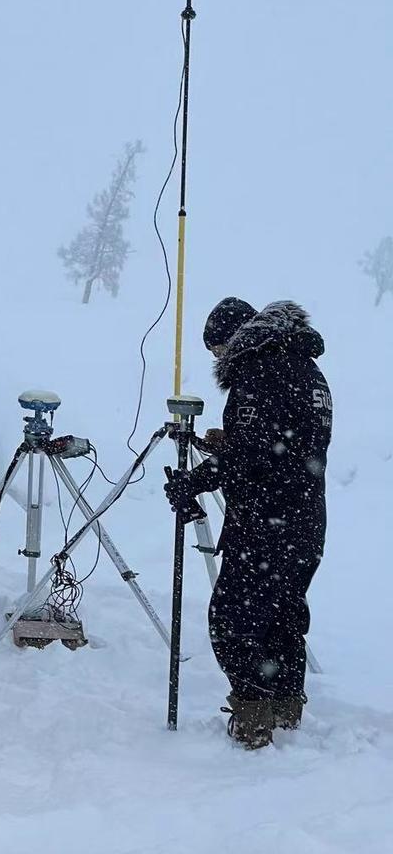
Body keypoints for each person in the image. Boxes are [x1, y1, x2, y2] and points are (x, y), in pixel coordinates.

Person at [164, 298, 332, 748]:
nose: (218, 359)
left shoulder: (259, 371)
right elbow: (286, 444)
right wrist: (235, 442)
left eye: (217, 350)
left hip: (266, 522)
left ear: (234, 340)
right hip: (306, 519)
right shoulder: (307, 369)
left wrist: (195, 480)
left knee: (233, 619)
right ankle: (285, 713)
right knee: (283, 617)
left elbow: (252, 455)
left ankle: (253, 720)